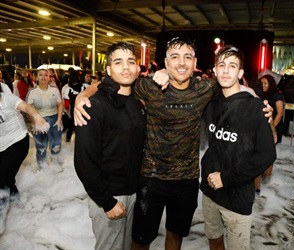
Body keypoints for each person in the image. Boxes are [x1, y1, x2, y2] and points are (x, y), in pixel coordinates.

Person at [74, 37, 273, 250]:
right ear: (166, 63)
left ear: (195, 62)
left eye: (187, 57)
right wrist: (82, 96)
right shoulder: (149, 85)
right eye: (175, 57)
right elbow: (109, 83)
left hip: (185, 180)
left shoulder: (206, 88)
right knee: (140, 240)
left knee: (175, 236)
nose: (181, 63)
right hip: (150, 178)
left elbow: (235, 89)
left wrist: (260, 106)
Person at [200, 45, 276, 250]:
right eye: (221, 65)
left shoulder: (255, 107)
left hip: (237, 197)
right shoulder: (209, 104)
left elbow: (267, 155)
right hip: (209, 192)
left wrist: (226, 178)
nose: (225, 71)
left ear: (240, 73)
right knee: (214, 241)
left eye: (232, 66)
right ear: (214, 70)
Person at [74, 42, 146, 250]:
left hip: (132, 193)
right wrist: (107, 201)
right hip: (109, 196)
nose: (125, 67)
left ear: (137, 68)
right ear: (108, 70)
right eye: (118, 62)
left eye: (131, 62)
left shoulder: (137, 103)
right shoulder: (93, 106)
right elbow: (83, 162)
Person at [0, 83, 49, 234]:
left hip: (17, 142)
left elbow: (27, 107)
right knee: (7, 176)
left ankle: (0, 216)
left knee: (1, 179)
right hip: (1, 146)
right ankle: (16, 199)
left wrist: (36, 116)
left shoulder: (6, 98)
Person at [26, 69, 64, 170]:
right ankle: (41, 164)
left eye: (46, 75)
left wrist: (59, 119)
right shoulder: (32, 92)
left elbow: (60, 104)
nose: (43, 77)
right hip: (39, 120)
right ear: (36, 77)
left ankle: (54, 160)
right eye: (40, 75)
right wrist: (34, 123)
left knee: (56, 142)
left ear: (49, 77)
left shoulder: (54, 89)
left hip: (54, 118)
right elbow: (28, 108)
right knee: (41, 144)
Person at [254, 74, 284, 194]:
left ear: (271, 84)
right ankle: (258, 183)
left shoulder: (277, 96)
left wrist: (272, 129)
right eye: (261, 83)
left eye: (266, 83)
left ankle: (267, 178)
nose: (263, 85)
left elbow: (280, 114)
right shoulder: (260, 95)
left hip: (274, 129)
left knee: (269, 154)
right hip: (262, 129)